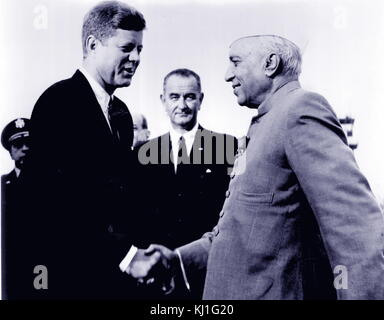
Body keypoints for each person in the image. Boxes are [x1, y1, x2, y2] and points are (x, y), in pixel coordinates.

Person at [126, 35, 384, 300]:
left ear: (270, 64)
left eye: (235, 63)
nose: (228, 75)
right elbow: (239, 232)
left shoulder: (300, 110)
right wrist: (177, 260)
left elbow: (354, 229)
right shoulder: (264, 125)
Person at [18, 1, 148, 299]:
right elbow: (61, 206)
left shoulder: (121, 113)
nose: (136, 58)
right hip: (71, 280)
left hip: (111, 279)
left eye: (140, 49)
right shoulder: (59, 103)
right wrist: (129, 257)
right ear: (92, 44)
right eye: (127, 48)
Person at [134, 68, 237, 298]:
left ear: (201, 99)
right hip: (156, 277)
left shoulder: (228, 147)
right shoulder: (142, 152)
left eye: (189, 96)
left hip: (207, 274)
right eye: (174, 97)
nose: (182, 105)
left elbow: (236, 213)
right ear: (163, 101)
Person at [1, 118, 30, 299]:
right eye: (19, 145)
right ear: (11, 152)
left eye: (30, 143)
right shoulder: (3, 185)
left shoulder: (52, 183)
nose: (25, 148)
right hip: (11, 265)